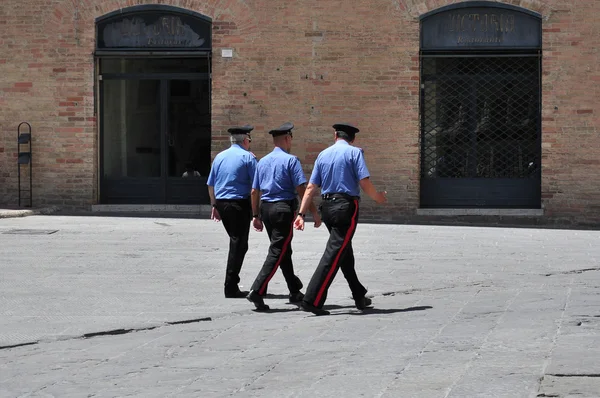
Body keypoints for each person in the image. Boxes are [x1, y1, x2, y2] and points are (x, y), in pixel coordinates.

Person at [293, 123, 387, 315]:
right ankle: (312, 299)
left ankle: (359, 295)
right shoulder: (355, 153)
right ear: (353, 139)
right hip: (345, 206)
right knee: (335, 253)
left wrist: (301, 214)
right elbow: (363, 180)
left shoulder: (323, 154)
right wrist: (377, 197)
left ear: (335, 135)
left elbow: (311, 187)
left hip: (327, 207)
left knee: (343, 250)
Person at [245, 122, 322, 311]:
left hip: (266, 210)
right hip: (282, 210)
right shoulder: (291, 160)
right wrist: (312, 211)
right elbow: (302, 188)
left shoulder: (262, 162)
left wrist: (255, 215)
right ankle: (257, 289)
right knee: (278, 251)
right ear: (287, 139)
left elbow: (255, 191)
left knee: (283, 250)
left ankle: (294, 289)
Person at [207, 124, 257, 298]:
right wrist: (257, 211)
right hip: (238, 204)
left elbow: (210, 184)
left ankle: (232, 282)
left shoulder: (220, 157)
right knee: (238, 244)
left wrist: (214, 205)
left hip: (222, 203)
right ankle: (230, 286)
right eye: (249, 140)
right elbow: (256, 185)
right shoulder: (248, 157)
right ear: (245, 140)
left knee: (237, 242)